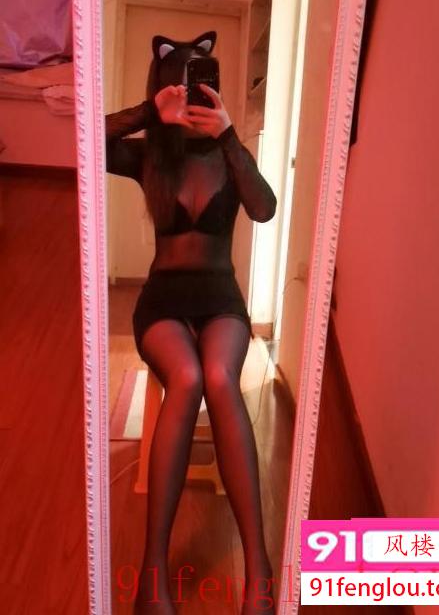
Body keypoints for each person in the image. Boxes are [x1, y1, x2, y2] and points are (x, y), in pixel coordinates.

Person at [105, 31, 277, 614]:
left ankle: (259, 572)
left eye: (198, 84)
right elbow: (88, 143)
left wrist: (227, 132)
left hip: (221, 300)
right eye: (177, 85)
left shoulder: (228, 151)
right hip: (163, 303)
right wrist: (149, 113)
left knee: (220, 378)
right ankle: (152, 574)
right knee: (186, 377)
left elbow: (263, 208)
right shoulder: (151, 155)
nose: (189, 94)